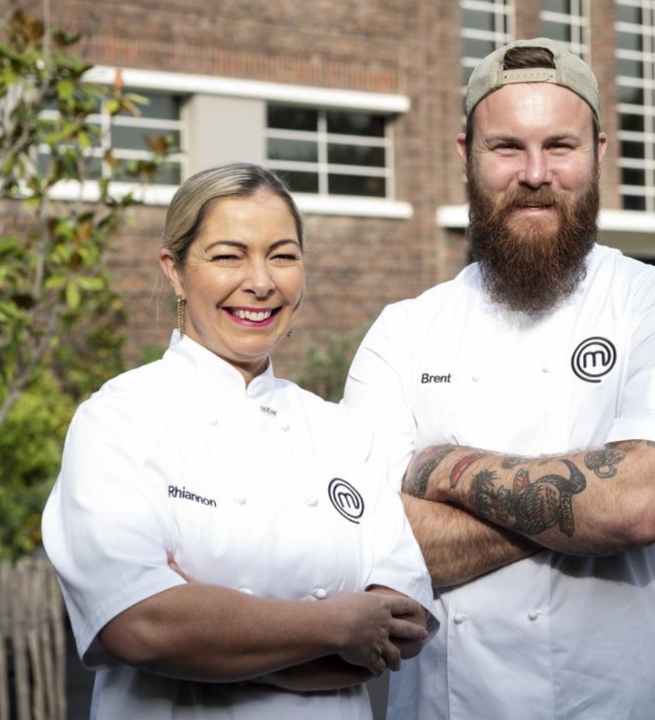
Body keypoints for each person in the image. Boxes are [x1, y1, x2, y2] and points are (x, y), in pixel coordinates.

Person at [342, 38, 655, 720]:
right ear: (466, 155)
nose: (535, 173)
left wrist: (443, 468)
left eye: (560, 146)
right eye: (506, 147)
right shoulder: (403, 332)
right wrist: (586, 510)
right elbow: (369, 543)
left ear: (599, 153)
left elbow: (643, 503)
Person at [42, 163, 436, 719]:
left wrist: (209, 631)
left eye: (283, 256)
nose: (261, 282)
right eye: (229, 256)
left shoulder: (341, 431)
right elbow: (140, 625)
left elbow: (402, 626)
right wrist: (339, 624)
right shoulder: (118, 421)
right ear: (175, 272)